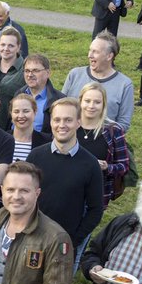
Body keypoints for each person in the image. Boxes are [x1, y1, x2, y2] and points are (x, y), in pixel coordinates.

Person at [27, 97, 104, 270]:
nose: (62, 125)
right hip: (32, 238)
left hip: (65, 245)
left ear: (78, 122)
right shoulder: (35, 156)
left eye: (68, 120)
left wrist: (73, 239)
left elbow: (96, 209)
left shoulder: (90, 164)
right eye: (57, 119)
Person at [61, 31, 134, 131]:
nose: (89, 55)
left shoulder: (124, 84)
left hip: (102, 138)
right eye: (90, 50)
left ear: (109, 56)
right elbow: (61, 108)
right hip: (70, 135)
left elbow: (123, 124)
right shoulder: (75, 74)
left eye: (95, 52)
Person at [77, 82, 130, 208]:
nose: (91, 106)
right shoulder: (69, 125)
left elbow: (124, 166)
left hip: (95, 195)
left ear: (104, 104)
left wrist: (107, 167)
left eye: (97, 102)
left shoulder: (113, 130)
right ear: (80, 101)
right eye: (87, 101)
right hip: (67, 190)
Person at [20, 52, 65, 133]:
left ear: (48, 73)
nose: (30, 75)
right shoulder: (18, 95)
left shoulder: (59, 100)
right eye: (27, 71)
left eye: (35, 70)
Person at [9, 93, 51, 163]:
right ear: (11, 113)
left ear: (35, 112)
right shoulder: (1, 139)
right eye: (16, 111)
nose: (21, 116)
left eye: (26, 111)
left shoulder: (46, 142)